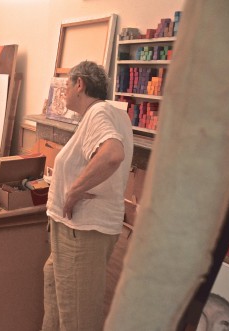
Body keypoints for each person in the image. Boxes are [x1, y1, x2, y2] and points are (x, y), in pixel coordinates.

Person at [42, 60, 133, 330]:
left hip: (81, 232)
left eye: (67, 86)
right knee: (54, 287)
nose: (64, 93)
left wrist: (73, 192)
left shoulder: (98, 113)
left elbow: (112, 155)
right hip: (75, 230)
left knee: (78, 318)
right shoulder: (112, 114)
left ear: (79, 84)